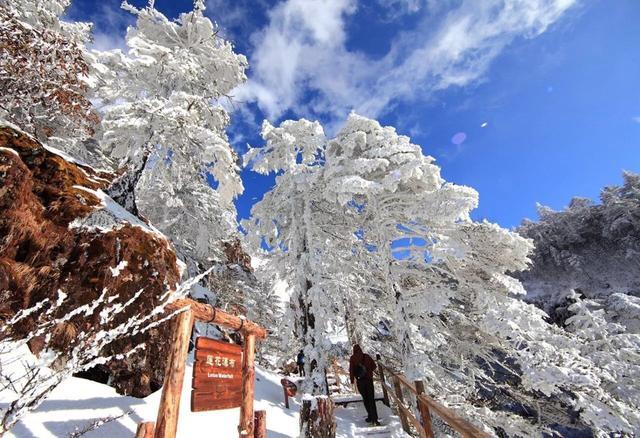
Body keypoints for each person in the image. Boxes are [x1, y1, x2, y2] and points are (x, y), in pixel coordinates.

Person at [349, 344, 379, 425]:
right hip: (369, 380)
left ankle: (370, 416)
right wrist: (368, 371)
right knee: (371, 399)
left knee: (365, 399)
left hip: (360, 381)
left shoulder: (353, 358)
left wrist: (352, 380)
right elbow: (374, 366)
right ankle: (375, 419)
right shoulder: (366, 356)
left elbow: (351, 370)